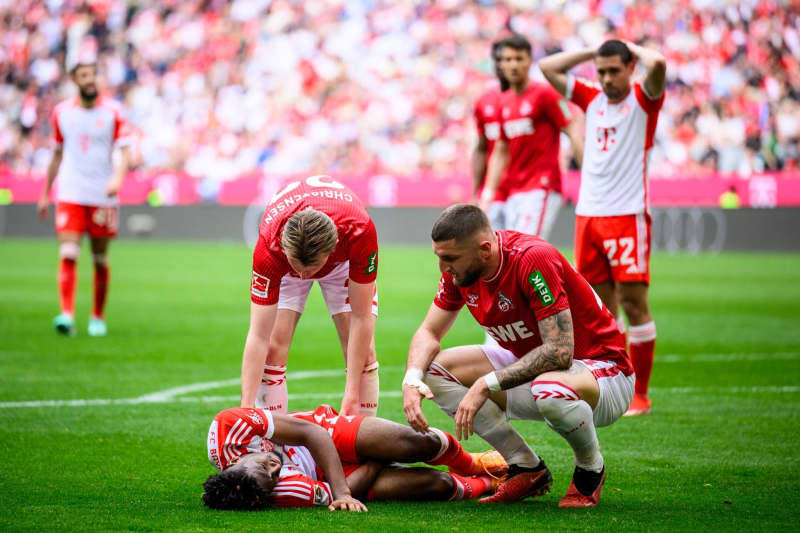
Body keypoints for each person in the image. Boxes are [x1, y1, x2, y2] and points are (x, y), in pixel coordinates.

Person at [402, 204, 634, 507]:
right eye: (439, 257)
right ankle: (525, 467)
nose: (444, 268)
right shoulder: (460, 274)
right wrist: (411, 379)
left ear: (485, 249)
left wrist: (487, 383)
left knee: (550, 390)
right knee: (433, 370)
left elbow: (560, 351)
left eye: (450, 258)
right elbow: (429, 333)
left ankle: (590, 470)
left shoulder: (532, 259)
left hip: (603, 372)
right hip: (537, 371)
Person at [539, 40, 666, 416]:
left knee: (633, 303)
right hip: (588, 215)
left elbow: (657, 60)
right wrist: (592, 51)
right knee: (603, 309)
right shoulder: (591, 96)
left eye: (615, 70)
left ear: (630, 68)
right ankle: (618, 385)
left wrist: (629, 46)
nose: (608, 78)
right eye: (602, 71)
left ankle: (640, 394)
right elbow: (548, 66)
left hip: (627, 214)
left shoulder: (644, 98)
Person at [242, 175, 380, 416]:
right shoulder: (269, 248)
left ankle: (364, 442)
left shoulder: (360, 232)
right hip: (285, 264)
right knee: (274, 349)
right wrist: (245, 409)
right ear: (284, 247)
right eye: (299, 267)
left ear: (334, 245)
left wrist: (352, 393)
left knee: (363, 352)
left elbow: (361, 317)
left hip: (341, 264)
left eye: (311, 269)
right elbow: (258, 335)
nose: (304, 276)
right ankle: (272, 438)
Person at [203, 403, 507, 510]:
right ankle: (491, 484)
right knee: (438, 484)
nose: (274, 469)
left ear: (237, 462)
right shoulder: (280, 491)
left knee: (414, 444)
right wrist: (373, 462)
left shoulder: (229, 427)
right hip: (332, 477)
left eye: (263, 465)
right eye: (272, 480)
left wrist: (343, 491)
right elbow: (339, 492)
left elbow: (311, 434)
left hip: (323, 431)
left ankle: (473, 463)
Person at [37, 58, 131, 337]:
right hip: (71, 192)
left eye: (93, 75)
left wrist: (117, 179)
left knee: (99, 257)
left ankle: (97, 317)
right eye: (84, 75)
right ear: (75, 80)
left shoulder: (113, 111)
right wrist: (45, 193)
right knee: (68, 252)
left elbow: (125, 151)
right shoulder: (62, 113)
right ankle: (66, 314)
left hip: (102, 195)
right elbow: (56, 154)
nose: (90, 80)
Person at [479, 34, 584, 240]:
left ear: (529, 60)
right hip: (514, 190)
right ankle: (559, 273)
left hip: (541, 186)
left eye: (519, 58)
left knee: (523, 249)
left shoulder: (544, 94)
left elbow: (572, 130)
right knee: (513, 253)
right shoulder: (504, 101)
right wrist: (488, 193)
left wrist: (589, 177)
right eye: (508, 60)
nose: (513, 65)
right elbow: (500, 150)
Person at [472, 38, 510, 229]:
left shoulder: (538, 96)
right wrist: (475, 192)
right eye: (500, 60)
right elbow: (481, 149)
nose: (504, 65)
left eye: (510, 59)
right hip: (494, 192)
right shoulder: (484, 102)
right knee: (493, 252)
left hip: (527, 188)